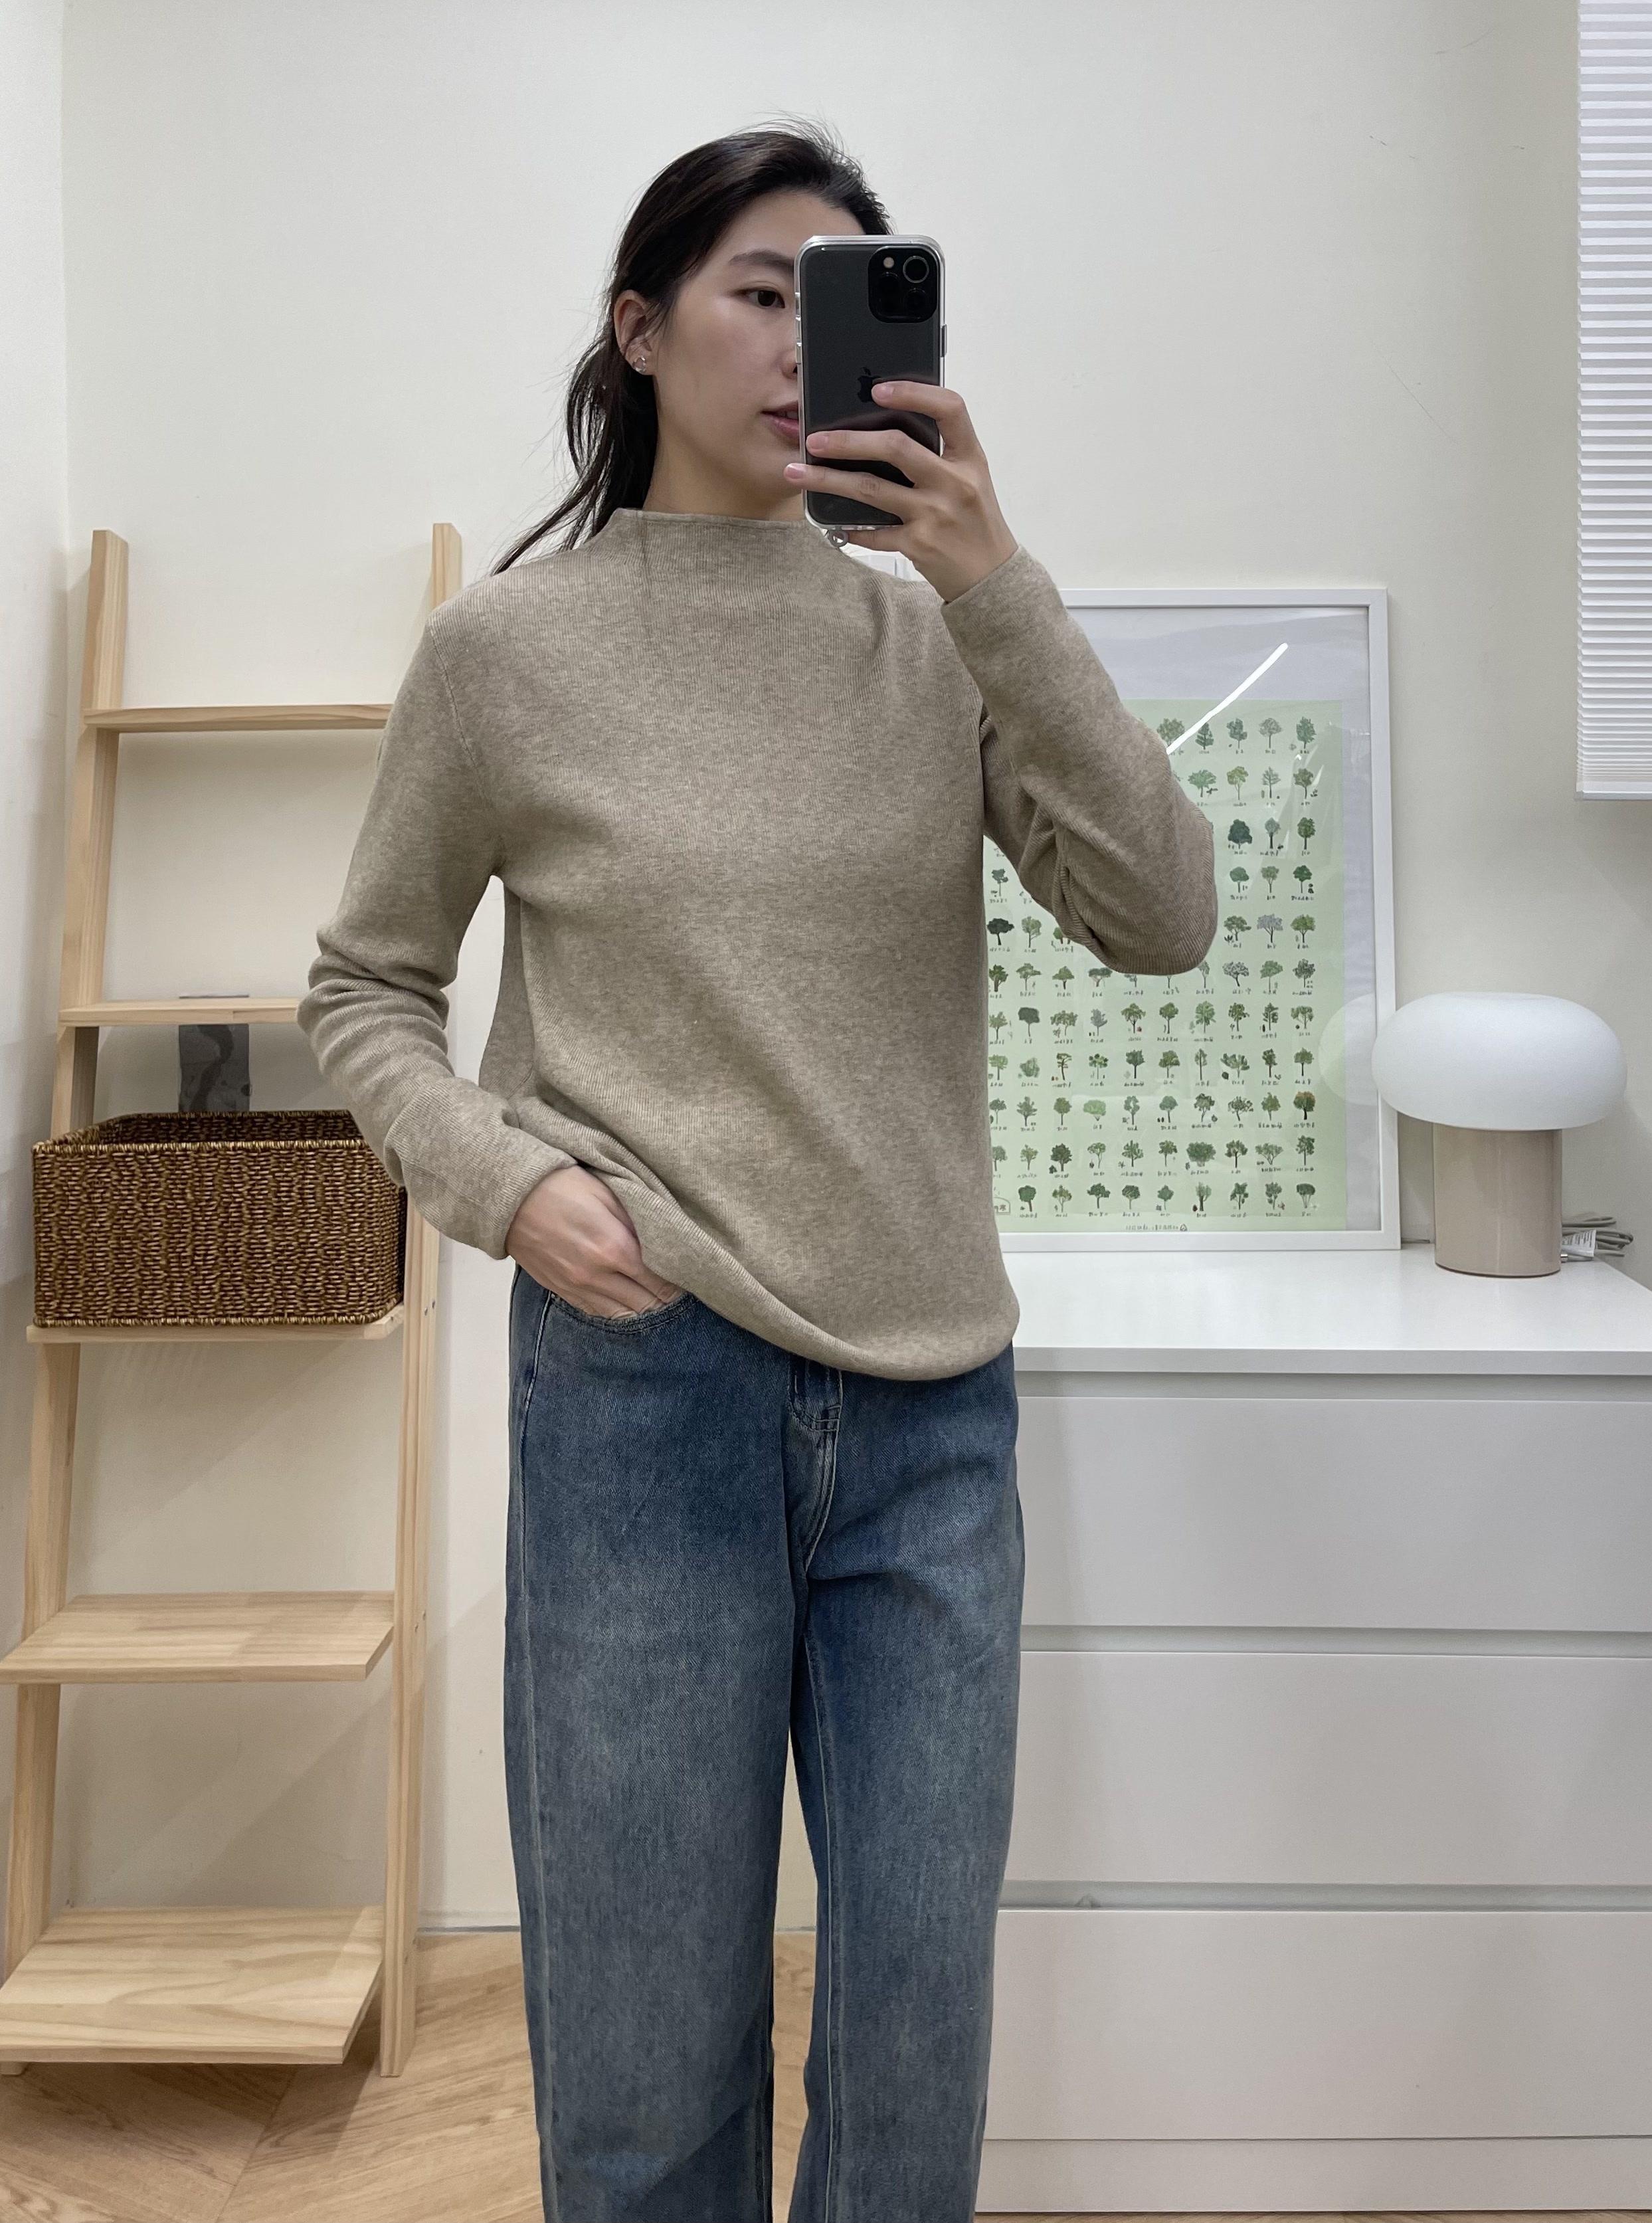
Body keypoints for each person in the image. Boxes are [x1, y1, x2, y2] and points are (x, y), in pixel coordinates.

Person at [297, 119, 1217, 2223]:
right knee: (642, 2050)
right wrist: (505, 1183)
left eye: (843, 298)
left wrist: (991, 580)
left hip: (930, 1420)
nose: (806, 344)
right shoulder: (505, 653)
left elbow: (1161, 913)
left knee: (912, 2046)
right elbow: (364, 986)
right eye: (756, 292)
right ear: (637, 330)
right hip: (645, 1398)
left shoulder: (934, 643)